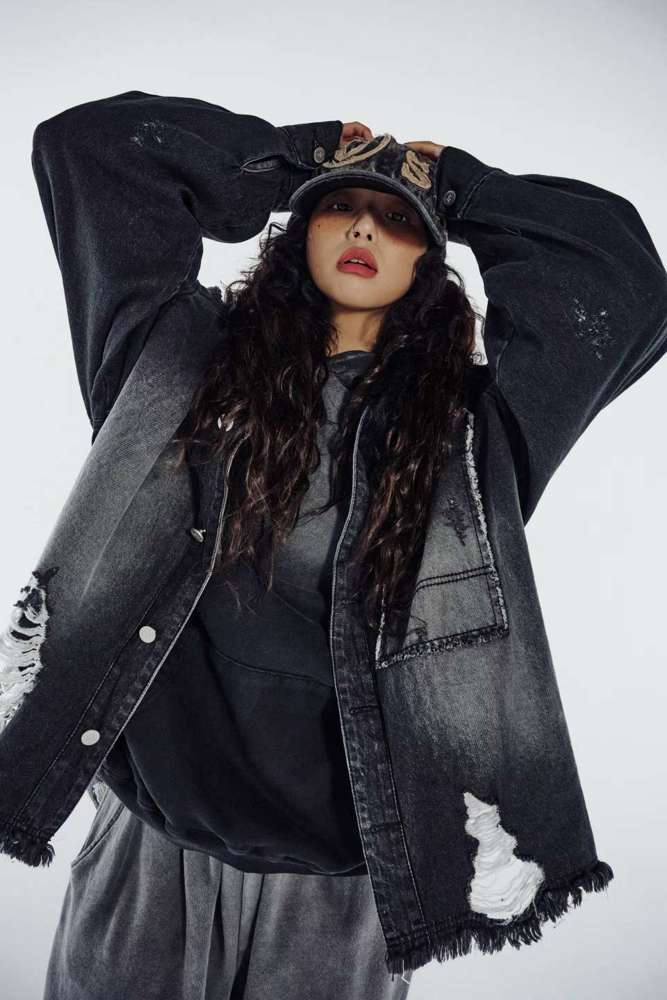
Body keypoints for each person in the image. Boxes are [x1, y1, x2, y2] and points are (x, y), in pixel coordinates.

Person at [1, 90, 663, 997]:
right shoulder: (173, 354)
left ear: (430, 258)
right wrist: (300, 155)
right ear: (300, 228)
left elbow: (620, 279)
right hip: (151, 842)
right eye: (340, 206)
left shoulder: (471, 431)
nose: (362, 228)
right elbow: (91, 148)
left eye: (397, 221)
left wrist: (457, 188)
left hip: (350, 878)